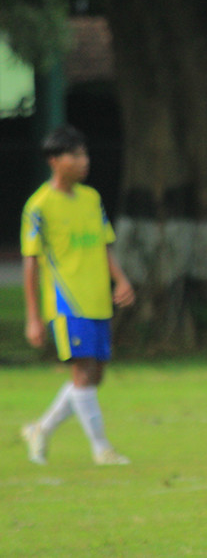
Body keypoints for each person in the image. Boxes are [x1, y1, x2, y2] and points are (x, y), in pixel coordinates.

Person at [20, 125, 135, 466]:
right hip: (67, 301)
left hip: (97, 298)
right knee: (83, 373)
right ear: (55, 161)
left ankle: (40, 428)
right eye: (76, 155)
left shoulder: (91, 199)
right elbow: (31, 263)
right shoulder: (38, 206)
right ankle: (102, 448)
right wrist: (33, 317)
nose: (84, 161)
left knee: (94, 376)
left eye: (85, 154)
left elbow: (102, 245)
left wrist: (121, 280)